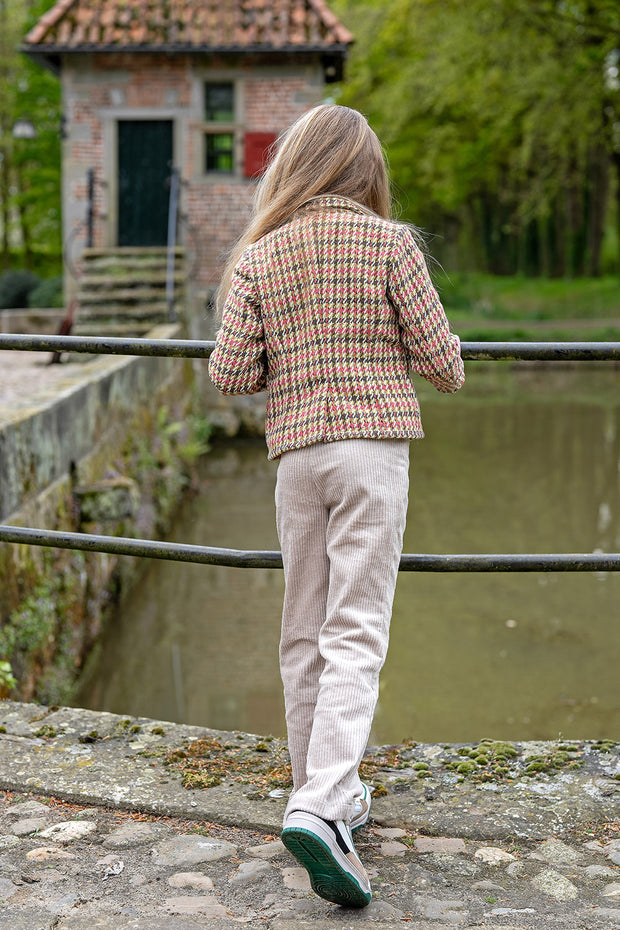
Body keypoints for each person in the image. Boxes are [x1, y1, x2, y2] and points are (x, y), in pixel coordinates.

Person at [208, 104, 465, 908]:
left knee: (303, 628)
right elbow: (446, 365)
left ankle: (320, 796)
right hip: (371, 452)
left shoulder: (262, 254)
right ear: (366, 172)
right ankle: (323, 803)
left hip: (296, 458)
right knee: (356, 628)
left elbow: (230, 375)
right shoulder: (390, 245)